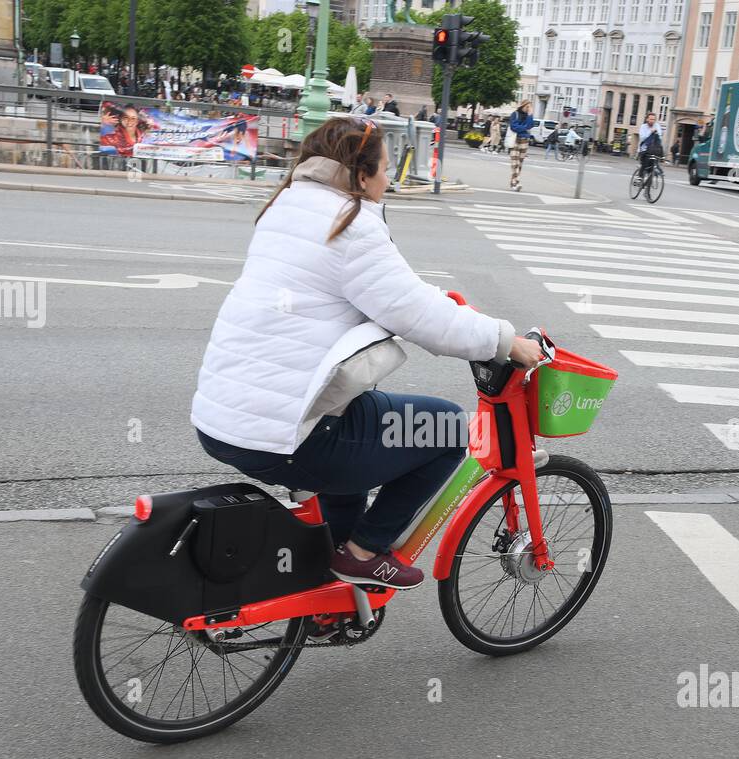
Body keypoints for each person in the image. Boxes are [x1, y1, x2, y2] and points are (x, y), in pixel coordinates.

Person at [191, 117, 544, 590]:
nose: (388, 181)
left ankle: (328, 585)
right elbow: (417, 316)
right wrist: (507, 342)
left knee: (363, 423)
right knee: (444, 429)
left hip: (226, 418)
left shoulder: (288, 207)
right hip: (286, 429)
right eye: (384, 170)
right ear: (360, 176)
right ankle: (363, 552)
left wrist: (437, 303)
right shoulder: (352, 225)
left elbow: (387, 293)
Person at [507, 100, 533, 191]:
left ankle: (513, 182)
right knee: (515, 162)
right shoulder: (515, 114)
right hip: (515, 139)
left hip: (524, 140)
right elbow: (513, 127)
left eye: (530, 107)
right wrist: (524, 127)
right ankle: (516, 181)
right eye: (527, 107)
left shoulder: (529, 116)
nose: (529, 109)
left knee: (520, 163)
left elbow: (530, 125)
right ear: (523, 106)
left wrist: (530, 115)